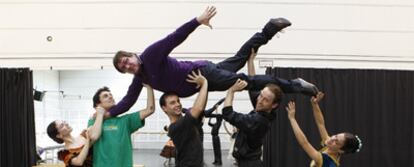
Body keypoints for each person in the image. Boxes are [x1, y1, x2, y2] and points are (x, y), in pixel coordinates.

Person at [108, 6, 318, 117]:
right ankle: (269, 29)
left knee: (247, 81)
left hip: (204, 75)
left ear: (133, 55)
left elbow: (174, 37)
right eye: (123, 68)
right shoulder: (141, 79)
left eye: (126, 61)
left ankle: (295, 85)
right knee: (241, 57)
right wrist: (108, 113)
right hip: (206, 74)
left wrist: (197, 21)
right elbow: (128, 101)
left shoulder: (150, 55)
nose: (127, 66)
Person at [286, 92, 363, 167]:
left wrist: (292, 119)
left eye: (337, 142)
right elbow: (320, 124)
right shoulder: (331, 147)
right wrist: (315, 104)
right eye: (336, 136)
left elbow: (304, 143)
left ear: (341, 151)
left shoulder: (324, 160)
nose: (332, 139)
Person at [87, 84, 155, 167]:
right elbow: (94, 136)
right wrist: (100, 114)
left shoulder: (125, 121)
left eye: (111, 95)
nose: (110, 97)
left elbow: (150, 110)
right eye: (105, 96)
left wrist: (149, 87)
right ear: (98, 104)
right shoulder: (92, 122)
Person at [221, 79, 282, 167]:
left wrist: (231, 91)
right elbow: (253, 86)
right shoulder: (267, 112)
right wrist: (250, 65)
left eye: (266, 100)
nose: (260, 101)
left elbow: (227, 114)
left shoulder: (257, 120)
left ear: (274, 105)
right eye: (261, 95)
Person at [160, 70, 208, 167]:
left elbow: (201, 107)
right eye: (172, 103)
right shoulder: (176, 127)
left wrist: (205, 87)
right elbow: (198, 108)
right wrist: (204, 83)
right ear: (164, 108)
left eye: (178, 101)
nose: (178, 104)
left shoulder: (185, 122)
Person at [204, 98, 225, 165]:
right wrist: (210, 119)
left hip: (216, 137)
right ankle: (216, 160)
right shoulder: (216, 124)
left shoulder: (219, 121)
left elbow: (216, 114)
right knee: (215, 150)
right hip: (213, 137)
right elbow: (210, 124)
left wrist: (219, 103)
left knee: (217, 150)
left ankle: (219, 161)